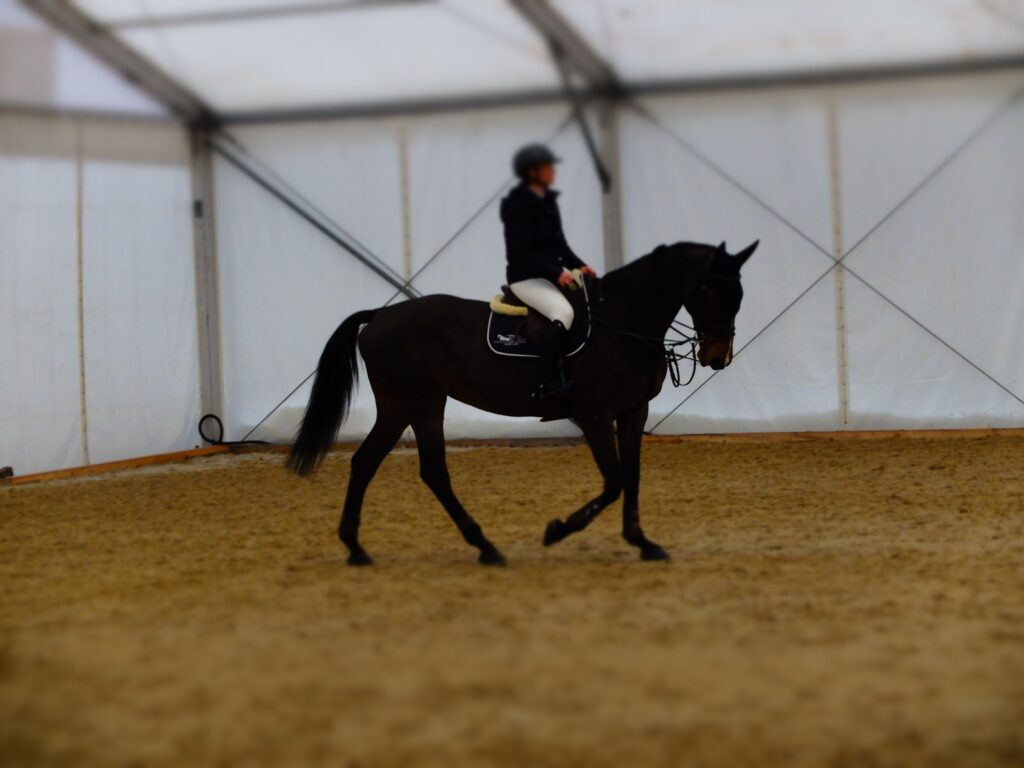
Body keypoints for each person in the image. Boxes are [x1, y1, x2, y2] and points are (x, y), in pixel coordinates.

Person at [501, 143, 597, 397]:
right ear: (532, 172)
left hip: (550, 276)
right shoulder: (517, 206)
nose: (553, 171)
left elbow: (559, 244)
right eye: (547, 167)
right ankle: (546, 381)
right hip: (526, 278)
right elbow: (522, 253)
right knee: (563, 313)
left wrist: (579, 265)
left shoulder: (548, 201)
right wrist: (556, 272)